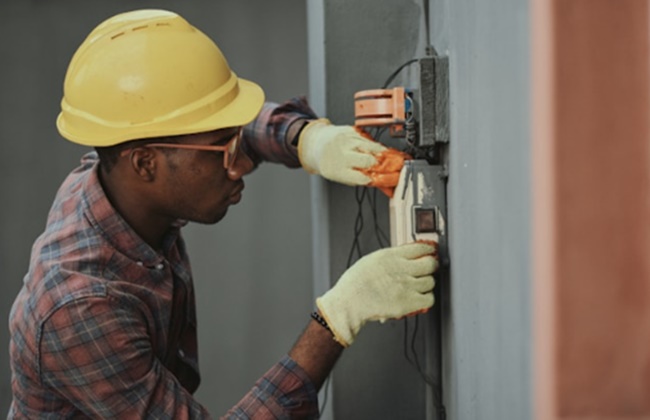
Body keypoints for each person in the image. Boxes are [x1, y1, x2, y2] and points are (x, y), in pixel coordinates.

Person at [8, 9, 438, 419]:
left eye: (235, 142)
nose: (240, 164)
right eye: (224, 150)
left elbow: (208, 129)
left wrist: (306, 139)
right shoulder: (79, 309)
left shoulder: (119, 169)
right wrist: (337, 319)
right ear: (144, 164)